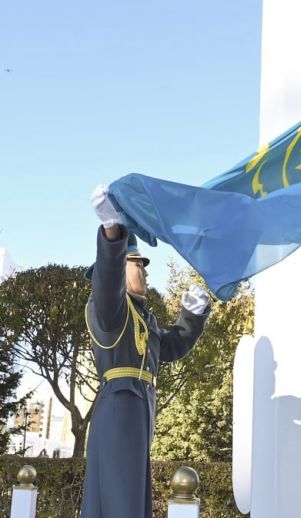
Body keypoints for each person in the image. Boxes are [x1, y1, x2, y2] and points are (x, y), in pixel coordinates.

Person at [81, 185, 211, 518]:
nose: (145, 271)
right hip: (120, 406)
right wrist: (113, 233)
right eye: (138, 264)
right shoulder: (110, 310)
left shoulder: (143, 318)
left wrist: (193, 315)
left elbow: (172, 345)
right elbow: (108, 282)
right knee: (121, 500)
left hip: (137, 408)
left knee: (130, 501)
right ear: (121, 268)